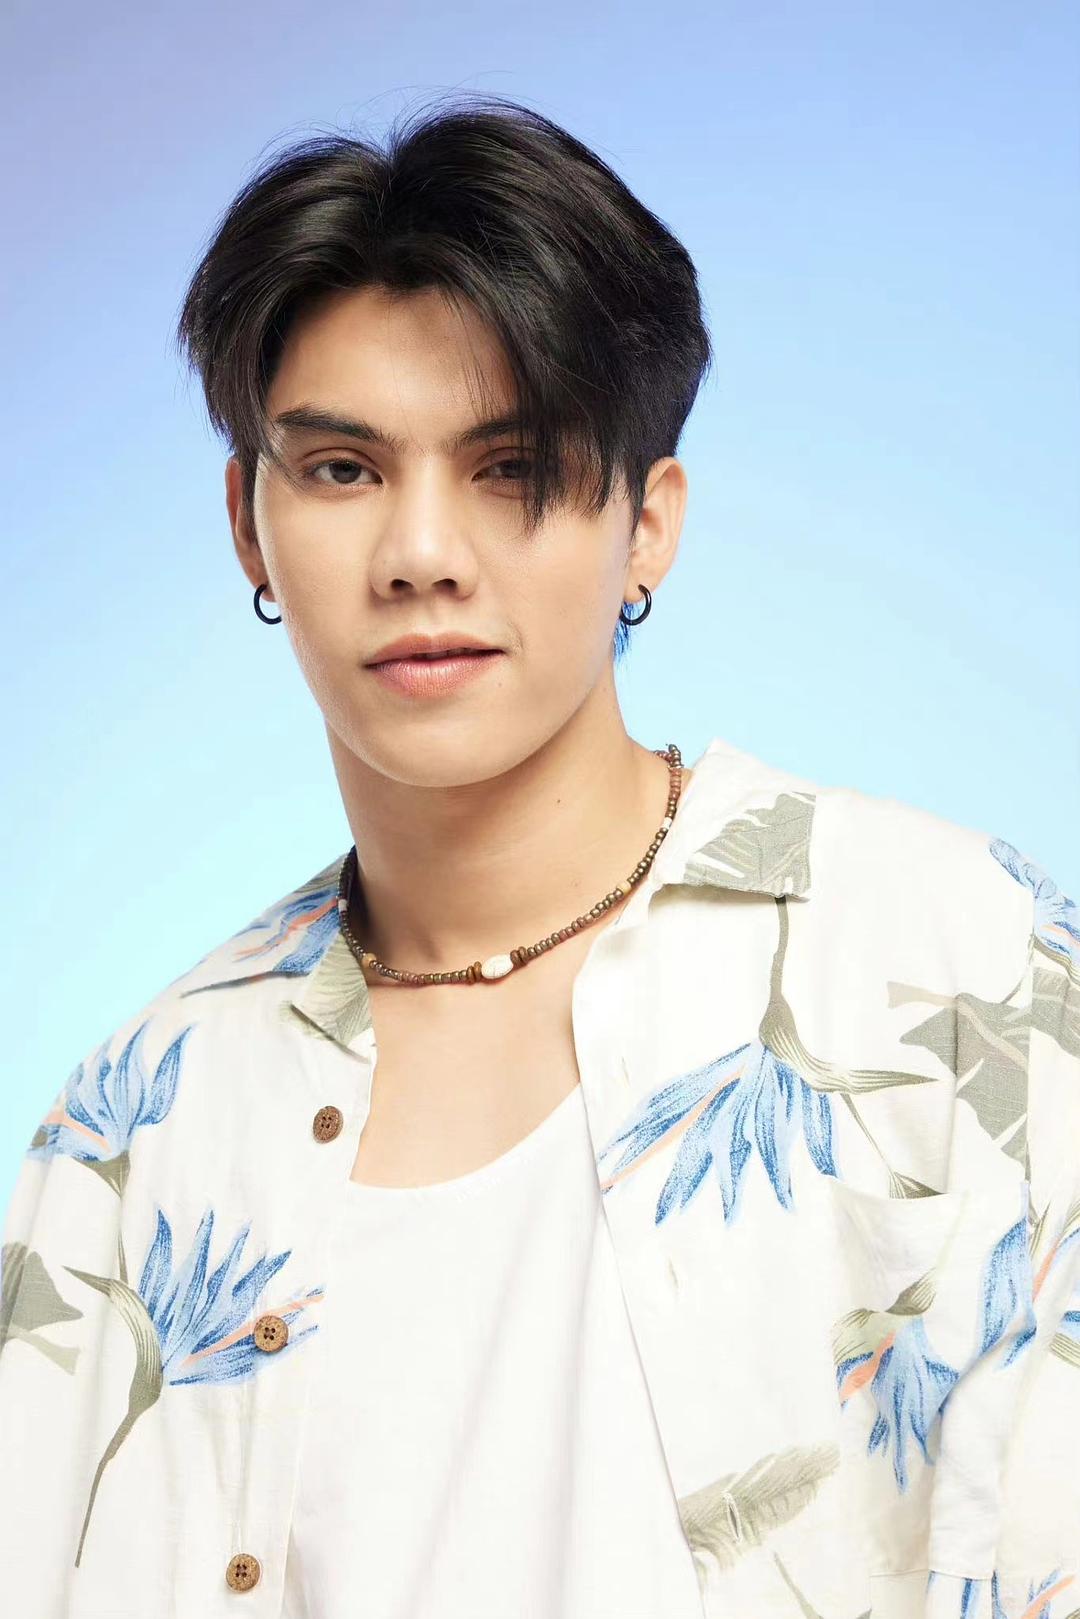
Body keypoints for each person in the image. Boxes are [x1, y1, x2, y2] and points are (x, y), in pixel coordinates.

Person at [1, 91, 1077, 1619]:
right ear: (249, 524)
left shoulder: (962, 975)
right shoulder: (138, 1125)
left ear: (650, 525)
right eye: (342, 469)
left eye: (510, 467)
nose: (420, 554)